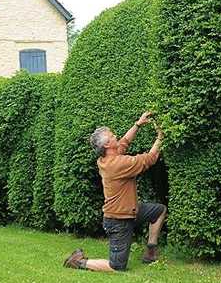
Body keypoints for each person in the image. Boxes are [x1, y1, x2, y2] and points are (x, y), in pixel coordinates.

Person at [63, 111, 166, 272]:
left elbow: (124, 142)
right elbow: (149, 158)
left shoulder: (105, 159)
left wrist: (138, 124)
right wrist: (160, 137)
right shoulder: (117, 164)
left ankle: (151, 251)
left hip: (130, 211)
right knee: (116, 266)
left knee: (158, 211)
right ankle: (78, 262)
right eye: (112, 136)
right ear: (107, 145)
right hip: (118, 220)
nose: (115, 136)